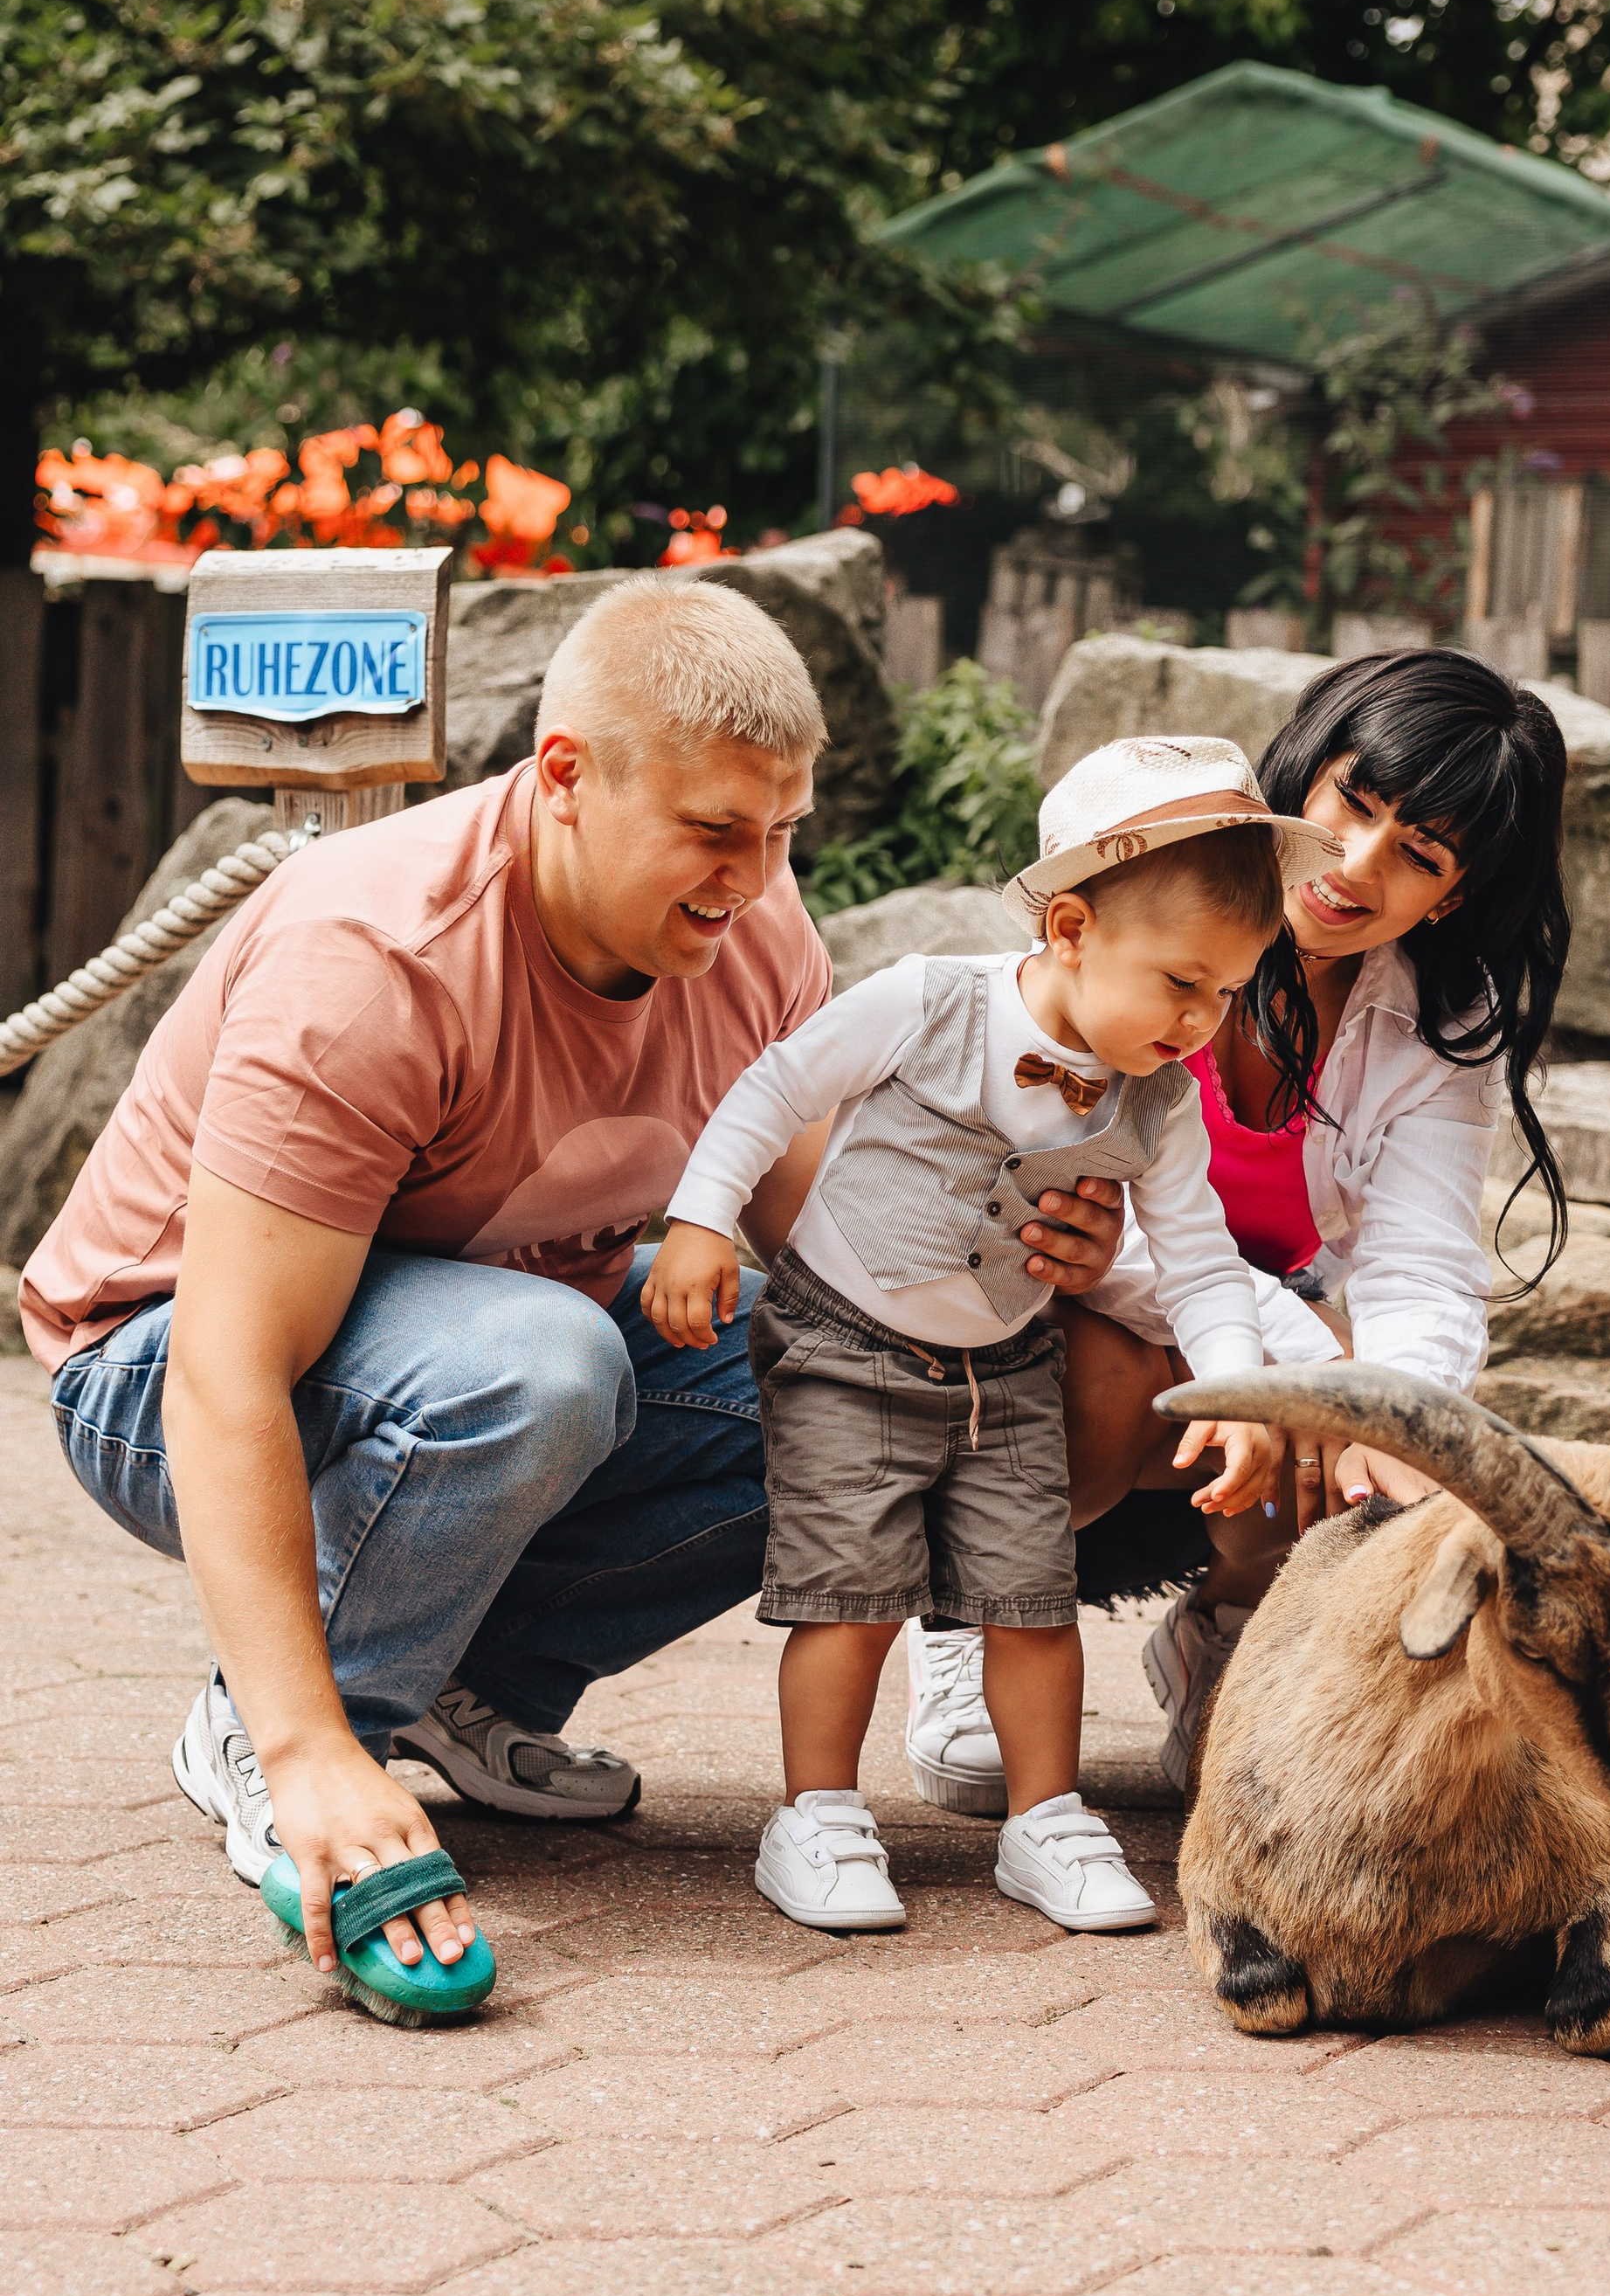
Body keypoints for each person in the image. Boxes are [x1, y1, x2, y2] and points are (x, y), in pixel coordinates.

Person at [21, 577, 1125, 1995]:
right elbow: (223, 1373)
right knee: (544, 1367)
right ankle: (292, 1729)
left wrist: (1046, 1262)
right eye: (714, 832)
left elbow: (847, 1260)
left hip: (481, 1346)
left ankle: (461, 1695)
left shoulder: (755, 930)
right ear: (565, 778)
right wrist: (307, 1748)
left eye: (782, 831)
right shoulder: (377, 962)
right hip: (154, 1368)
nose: (753, 877)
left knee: (849, 1393)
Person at [640, 736, 1324, 1933]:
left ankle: (1045, 1817)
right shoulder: (929, 1000)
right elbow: (775, 1089)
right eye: (1180, 982)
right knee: (845, 1595)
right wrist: (701, 1220)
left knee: (1029, 1600)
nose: (1201, 1023)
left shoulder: (1155, 1104)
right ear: (1069, 928)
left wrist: (1236, 1386)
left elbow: (1203, 1262)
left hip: (1005, 1367)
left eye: (1225, 994)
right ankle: (816, 1812)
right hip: (847, 1342)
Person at [902, 647, 1571, 1804]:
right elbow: (1094, 1236)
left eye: (1417, 855)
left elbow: (1422, 1271)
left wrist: (1384, 1423)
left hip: (1241, 1342)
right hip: (1054, 1310)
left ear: (1449, 896)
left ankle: (1229, 1637)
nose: (1358, 867)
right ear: (1303, 775)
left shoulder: (1432, 1020)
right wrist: (1317, 1375)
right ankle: (966, 1618)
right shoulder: (1154, 909)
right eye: (1354, 805)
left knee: (1398, 1443)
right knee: (1113, 1385)